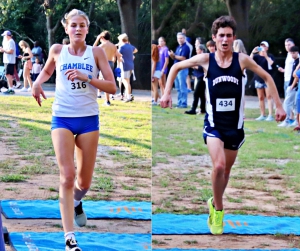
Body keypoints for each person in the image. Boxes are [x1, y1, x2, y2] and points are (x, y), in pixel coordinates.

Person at [160, 16, 285, 235]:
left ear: (233, 38)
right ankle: (218, 210)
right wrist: (167, 92)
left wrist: (280, 106)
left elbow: (267, 77)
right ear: (214, 38)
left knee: (226, 171)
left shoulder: (242, 60)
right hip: (213, 126)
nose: (225, 39)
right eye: (221, 35)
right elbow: (176, 66)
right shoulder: (207, 60)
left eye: (228, 35)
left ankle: (213, 201)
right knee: (218, 166)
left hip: (235, 128)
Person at [31, 9, 116, 250]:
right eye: (73, 25)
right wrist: (37, 82)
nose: (77, 29)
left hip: (89, 120)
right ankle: (69, 238)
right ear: (66, 29)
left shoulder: (96, 52)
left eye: (82, 25)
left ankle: (77, 201)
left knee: (84, 181)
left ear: (87, 29)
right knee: (67, 176)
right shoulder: (58, 50)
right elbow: (48, 70)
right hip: (62, 119)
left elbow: (112, 87)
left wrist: (87, 77)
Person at [93, 30, 121, 106]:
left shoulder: (103, 45)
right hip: (111, 63)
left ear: (102, 37)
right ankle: (102, 96)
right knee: (104, 80)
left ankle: (107, 100)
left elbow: (93, 49)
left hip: (104, 63)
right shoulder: (113, 46)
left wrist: (97, 39)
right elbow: (116, 56)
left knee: (105, 82)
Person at [250, 41, 275, 121]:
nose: (263, 47)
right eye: (261, 46)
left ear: (267, 48)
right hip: (258, 78)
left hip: (267, 79)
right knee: (261, 97)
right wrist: (253, 52)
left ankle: (270, 115)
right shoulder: (256, 57)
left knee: (269, 96)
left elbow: (271, 63)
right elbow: (249, 61)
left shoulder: (270, 56)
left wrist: (266, 56)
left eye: (264, 46)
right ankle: (262, 114)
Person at [279, 46, 300, 127]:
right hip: (292, 85)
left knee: (287, 103)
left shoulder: (298, 61)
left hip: (294, 86)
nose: (292, 55)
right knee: (294, 104)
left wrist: (292, 85)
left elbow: (296, 76)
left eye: (294, 53)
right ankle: (295, 120)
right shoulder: (295, 61)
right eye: (291, 53)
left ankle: (287, 120)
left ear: (298, 52)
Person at [168, 32, 190, 108]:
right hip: (177, 69)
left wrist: (174, 55)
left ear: (184, 39)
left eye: (181, 38)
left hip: (182, 69)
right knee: (177, 87)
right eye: (178, 38)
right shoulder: (178, 47)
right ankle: (179, 102)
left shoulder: (186, 47)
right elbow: (175, 58)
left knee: (182, 86)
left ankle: (183, 103)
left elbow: (183, 58)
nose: (179, 39)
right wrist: (172, 56)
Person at [185, 44, 206, 115]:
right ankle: (203, 109)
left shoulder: (204, 57)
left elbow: (200, 68)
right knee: (201, 94)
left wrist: (194, 66)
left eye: (198, 49)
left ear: (201, 50)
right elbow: (193, 65)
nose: (196, 51)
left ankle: (193, 109)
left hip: (202, 77)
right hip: (198, 76)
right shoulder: (197, 57)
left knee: (196, 93)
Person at [118, 33, 138, 102]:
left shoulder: (122, 47)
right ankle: (128, 95)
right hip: (131, 66)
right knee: (128, 81)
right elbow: (136, 50)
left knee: (124, 81)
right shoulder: (130, 46)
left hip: (125, 66)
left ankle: (129, 97)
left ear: (121, 40)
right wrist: (130, 54)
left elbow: (117, 54)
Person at [233, 39, 248, 118]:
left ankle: (241, 112)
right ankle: (240, 112)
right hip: (243, 76)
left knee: (239, 95)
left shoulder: (237, 55)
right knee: (241, 95)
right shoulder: (244, 55)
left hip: (240, 76)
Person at [0, 30, 16, 94]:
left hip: (10, 60)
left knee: (9, 75)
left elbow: (11, 51)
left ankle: (11, 89)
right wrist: (2, 50)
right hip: (7, 60)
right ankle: (10, 88)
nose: (3, 37)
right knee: (7, 75)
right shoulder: (7, 42)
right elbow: (5, 50)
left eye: (4, 36)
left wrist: (4, 50)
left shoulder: (11, 42)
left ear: (7, 36)